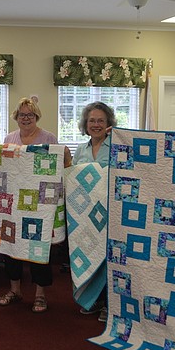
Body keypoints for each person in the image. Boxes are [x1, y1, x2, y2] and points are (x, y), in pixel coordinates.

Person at [0, 96, 71, 313]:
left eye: (30, 115)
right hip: (14, 204)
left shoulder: (48, 137)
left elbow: (61, 167)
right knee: (12, 246)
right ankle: (15, 290)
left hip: (40, 203)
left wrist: (65, 155)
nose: (26, 118)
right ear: (16, 117)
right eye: (22, 115)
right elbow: (4, 167)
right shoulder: (10, 138)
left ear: (36, 116)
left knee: (39, 248)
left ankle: (40, 294)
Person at [71, 101, 117, 323]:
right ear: (85, 124)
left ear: (109, 124)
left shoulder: (117, 146)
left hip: (110, 212)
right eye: (92, 121)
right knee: (89, 254)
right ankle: (93, 300)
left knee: (108, 258)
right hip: (85, 214)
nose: (96, 125)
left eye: (101, 120)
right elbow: (72, 178)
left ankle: (110, 304)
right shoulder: (81, 149)